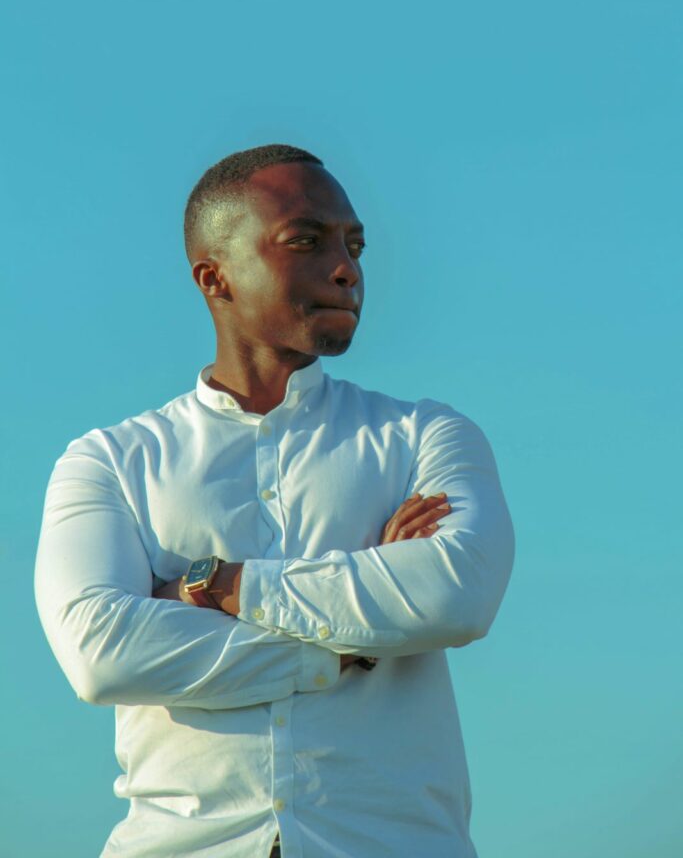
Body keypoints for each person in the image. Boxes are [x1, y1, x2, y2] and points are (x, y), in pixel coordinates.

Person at [35, 143, 515, 858]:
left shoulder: (426, 436)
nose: (346, 267)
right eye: (306, 240)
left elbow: (456, 596)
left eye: (353, 244)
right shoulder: (109, 461)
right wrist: (352, 642)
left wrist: (217, 587)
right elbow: (102, 655)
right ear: (214, 275)